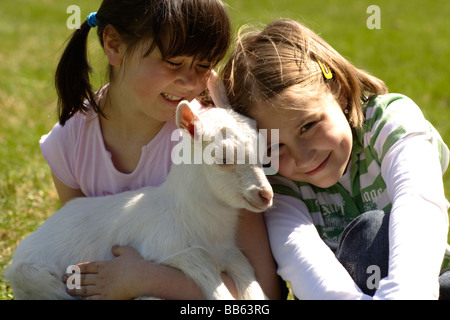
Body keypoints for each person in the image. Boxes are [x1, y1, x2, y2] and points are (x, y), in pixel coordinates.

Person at [40, 0, 280, 300]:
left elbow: (264, 291)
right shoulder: (69, 143)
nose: (190, 81)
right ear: (113, 45)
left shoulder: (208, 141)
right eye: (174, 62)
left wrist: (148, 280)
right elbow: (79, 266)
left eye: (203, 65)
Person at [221, 18, 450, 299]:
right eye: (275, 147)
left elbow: (419, 201)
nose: (303, 158)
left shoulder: (388, 121)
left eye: (308, 126)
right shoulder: (277, 179)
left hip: (426, 282)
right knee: (369, 234)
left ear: (338, 91)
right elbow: (296, 248)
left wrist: (405, 293)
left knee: (376, 230)